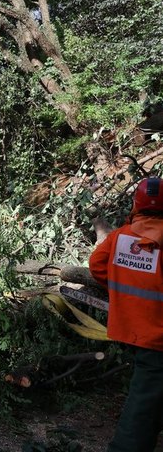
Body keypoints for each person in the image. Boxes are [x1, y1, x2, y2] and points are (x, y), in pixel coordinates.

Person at [89, 176, 163, 451]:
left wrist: (123, 292)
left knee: (151, 393)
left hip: (131, 328)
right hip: (158, 335)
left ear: (136, 204)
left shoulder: (121, 236)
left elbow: (96, 265)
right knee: (144, 399)